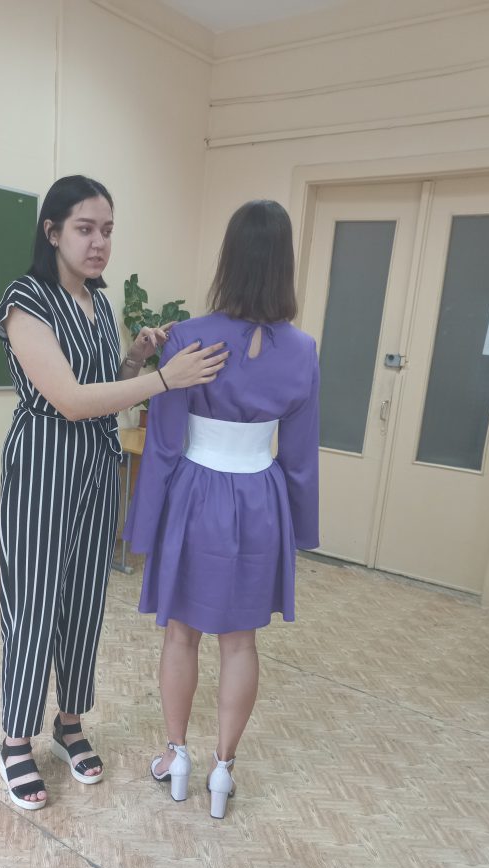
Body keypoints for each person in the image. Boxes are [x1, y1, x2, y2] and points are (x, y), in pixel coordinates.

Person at [0, 175, 228, 810]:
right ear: (52, 232)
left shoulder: (97, 300)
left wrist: (135, 358)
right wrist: (164, 380)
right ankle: (16, 740)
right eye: (85, 229)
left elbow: (102, 384)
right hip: (44, 465)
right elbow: (69, 399)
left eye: (108, 231)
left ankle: (69, 723)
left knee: (84, 599)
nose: (99, 243)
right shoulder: (26, 300)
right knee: (34, 601)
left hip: (96, 467)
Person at [123, 199, 319, 819]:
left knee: (181, 632)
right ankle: (223, 770)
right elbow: (300, 455)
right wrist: (299, 530)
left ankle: (175, 756)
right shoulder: (303, 350)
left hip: (195, 495)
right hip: (260, 500)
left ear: (228, 258)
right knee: (240, 642)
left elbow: (163, 442)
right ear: (284, 263)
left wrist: (144, 524)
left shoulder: (188, 337)